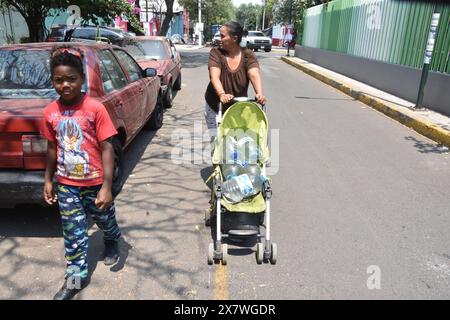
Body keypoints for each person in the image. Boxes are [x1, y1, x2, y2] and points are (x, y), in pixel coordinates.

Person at [41, 45, 122, 300]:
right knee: (73, 234)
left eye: (71, 79)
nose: (65, 85)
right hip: (67, 185)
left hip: (95, 182)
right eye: (59, 80)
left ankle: (111, 239)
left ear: (82, 79)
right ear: (53, 81)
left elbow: (107, 147)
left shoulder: (95, 108)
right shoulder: (50, 112)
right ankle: (75, 278)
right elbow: (52, 147)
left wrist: (107, 186)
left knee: (105, 219)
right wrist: (48, 180)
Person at [204, 21, 267, 137]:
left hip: (237, 108)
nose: (220, 39)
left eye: (223, 36)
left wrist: (259, 93)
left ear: (234, 38)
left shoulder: (248, 55)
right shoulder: (216, 53)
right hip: (215, 106)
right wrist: (222, 94)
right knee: (217, 144)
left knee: (237, 144)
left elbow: (254, 74)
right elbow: (214, 76)